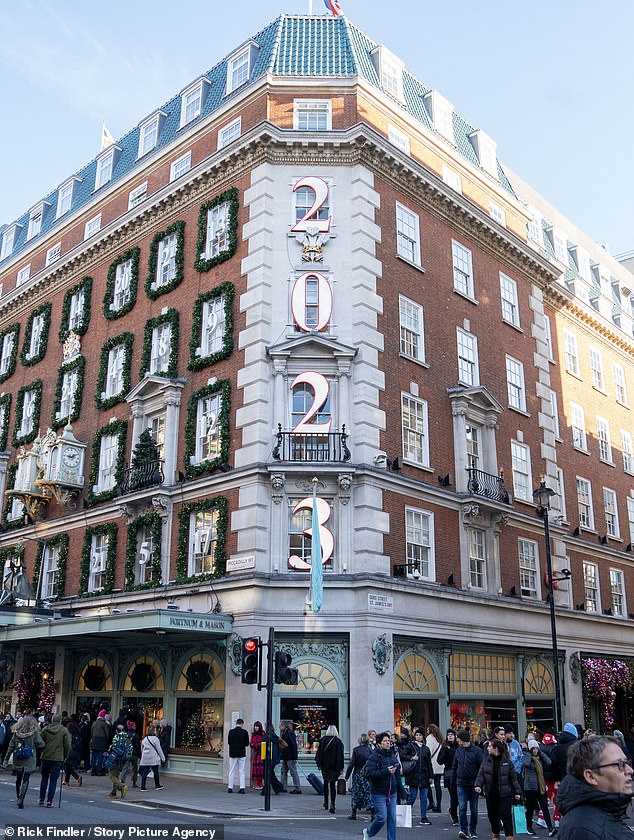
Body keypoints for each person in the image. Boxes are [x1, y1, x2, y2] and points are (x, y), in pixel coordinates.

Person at [557, 735, 633, 839]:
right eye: (619, 764)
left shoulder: (608, 812)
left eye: (627, 763)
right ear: (591, 776)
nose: (629, 770)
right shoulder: (581, 829)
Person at [474, 736, 521, 840]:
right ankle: (496, 833)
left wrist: (517, 791)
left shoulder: (507, 762)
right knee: (492, 815)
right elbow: (480, 774)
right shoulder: (486, 761)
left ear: (496, 748)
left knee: (506, 814)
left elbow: (513, 778)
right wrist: (478, 785)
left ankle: (509, 836)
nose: (487, 748)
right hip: (491, 793)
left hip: (505, 793)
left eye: (489, 746)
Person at [363, 731, 408, 840]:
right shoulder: (374, 756)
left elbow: (397, 774)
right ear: (379, 744)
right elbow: (369, 773)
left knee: (392, 818)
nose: (388, 743)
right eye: (385, 741)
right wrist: (385, 771)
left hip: (392, 792)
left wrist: (401, 790)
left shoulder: (392, 756)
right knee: (382, 817)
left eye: (389, 741)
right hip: (378, 793)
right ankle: (369, 832)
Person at [3, 714, 45, 809]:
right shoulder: (34, 733)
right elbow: (41, 744)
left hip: (18, 758)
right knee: (26, 779)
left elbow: (10, 747)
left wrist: (6, 760)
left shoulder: (16, 733)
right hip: (29, 759)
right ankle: (21, 799)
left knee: (18, 778)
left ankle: (18, 796)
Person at [522, 737, 556, 836]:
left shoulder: (540, 757)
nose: (535, 751)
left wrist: (541, 753)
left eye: (537, 748)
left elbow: (549, 762)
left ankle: (550, 829)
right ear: (530, 749)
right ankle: (529, 826)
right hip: (530, 787)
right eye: (533, 749)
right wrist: (529, 754)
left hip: (540, 786)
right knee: (531, 808)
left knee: (544, 807)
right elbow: (525, 764)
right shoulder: (527, 756)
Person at [401, 726, 433, 825]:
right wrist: (411, 757)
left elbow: (429, 763)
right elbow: (402, 755)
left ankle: (423, 817)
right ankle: (404, 813)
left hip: (424, 775)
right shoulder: (411, 746)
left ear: (423, 737)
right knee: (412, 797)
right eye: (417, 735)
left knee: (424, 799)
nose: (418, 737)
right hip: (413, 775)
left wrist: (431, 776)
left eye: (420, 735)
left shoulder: (426, 749)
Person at [454, 728, 483, 840]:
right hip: (461, 783)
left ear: (463, 739)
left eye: (459, 738)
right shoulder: (458, 751)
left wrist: (480, 784)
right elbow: (455, 766)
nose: (457, 740)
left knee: (474, 809)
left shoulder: (477, 751)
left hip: (474, 784)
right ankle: (464, 830)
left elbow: (481, 768)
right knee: (462, 808)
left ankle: (473, 830)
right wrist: (453, 781)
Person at [39, 713, 71, 807]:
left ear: (52, 720)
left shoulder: (45, 729)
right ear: (60, 721)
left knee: (44, 777)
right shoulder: (64, 730)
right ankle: (49, 801)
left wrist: (42, 750)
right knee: (53, 779)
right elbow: (67, 745)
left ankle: (41, 798)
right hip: (57, 757)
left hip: (46, 756)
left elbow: (40, 742)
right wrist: (65, 756)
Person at [315, 724, 345, 813]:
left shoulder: (323, 740)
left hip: (325, 766)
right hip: (334, 767)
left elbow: (319, 753)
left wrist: (319, 764)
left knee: (325, 783)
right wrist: (341, 768)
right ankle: (332, 803)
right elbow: (340, 756)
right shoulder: (338, 742)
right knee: (332, 785)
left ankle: (325, 802)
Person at [345, 732, 372, 820]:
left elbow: (351, 764)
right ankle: (373, 813)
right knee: (368, 793)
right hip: (367, 775)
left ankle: (354, 813)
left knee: (356, 793)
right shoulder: (370, 750)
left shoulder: (356, 750)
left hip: (357, 774)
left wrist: (347, 776)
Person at [438, 729, 459, 826]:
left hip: (459, 774)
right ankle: (455, 816)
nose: (450, 736)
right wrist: (446, 752)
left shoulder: (459, 746)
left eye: (452, 735)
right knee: (454, 796)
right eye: (448, 735)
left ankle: (452, 810)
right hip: (449, 773)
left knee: (459, 797)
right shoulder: (445, 747)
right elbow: (440, 760)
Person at [540, 732, 561, 828]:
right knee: (556, 798)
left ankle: (542, 817)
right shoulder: (556, 748)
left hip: (545, 777)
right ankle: (557, 818)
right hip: (556, 777)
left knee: (546, 798)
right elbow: (557, 762)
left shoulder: (540, 748)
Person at [106, 724, 132, 799]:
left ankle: (122, 786)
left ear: (117, 731)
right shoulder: (126, 739)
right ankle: (113, 793)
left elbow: (112, 749)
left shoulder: (117, 738)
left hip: (114, 759)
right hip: (121, 760)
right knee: (116, 776)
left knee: (112, 776)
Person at [227, 718, 250, 793]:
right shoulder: (244, 732)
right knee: (242, 771)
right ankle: (242, 788)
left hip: (233, 753)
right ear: (242, 724)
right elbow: (247, 744)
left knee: (231, 770)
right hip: (241, 753)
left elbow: (229, 742)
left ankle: (230, 787)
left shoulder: (231, 732)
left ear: (236, 723)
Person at [139, 724, 165, 791]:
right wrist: (163, 758)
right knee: (155, 772)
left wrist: (143, 755)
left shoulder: (144, 739)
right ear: (154, 731)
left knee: (145, 772)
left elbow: (142, 749)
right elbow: (159, 749)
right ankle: (157, 785)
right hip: (153, 758)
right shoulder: (155, 739)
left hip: (145, 758)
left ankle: (143, 787)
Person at [425, 723, 444, 813]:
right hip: (440, 765)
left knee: (427, 784)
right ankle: (439, 805)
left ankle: (432, 802)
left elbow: (429, 751)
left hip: (432, 764)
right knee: (437, 785)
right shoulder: (441, 739)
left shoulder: (429, 738)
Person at [279, 719, 301, 793]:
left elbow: (294, 745)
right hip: (286, 756)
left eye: (280, 725)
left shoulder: (289, 734)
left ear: (284, 726)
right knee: (283, 771)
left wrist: (295, 757)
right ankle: (283, 787)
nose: (279, 726)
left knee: (293, 772)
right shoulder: (284, 733)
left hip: (290, 756)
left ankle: (297, 788)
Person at [62, 714, 83, 786]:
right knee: (69, 765)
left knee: (66, 765)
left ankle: (76, 777)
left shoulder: (69, 728)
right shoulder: (77, 727)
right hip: (75, 751)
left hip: (70, 750)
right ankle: (67, 780)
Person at [120, 721, 141, 789]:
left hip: (126, 753)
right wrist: (140, 755)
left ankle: (121, 781)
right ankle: (134, 782)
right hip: (134, 754)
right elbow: (138, 746)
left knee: (125, 767)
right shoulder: (135, 735)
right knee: (135, 769)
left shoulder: (125, 735)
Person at [90, 710, 110, 776]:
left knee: (94, 756)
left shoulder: (94, 723)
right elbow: (107, 734)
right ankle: (99, 770)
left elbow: (91, 732)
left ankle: (93, 770)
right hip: (101, 741)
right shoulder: (104, 724)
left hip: (94, 741)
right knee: (100, 757)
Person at [250, 721, 265, 789]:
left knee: (260, 769)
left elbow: (262, 744)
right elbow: (251, 744)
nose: (256, 728)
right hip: (256, 754)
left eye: (257, 726)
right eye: (255, 726)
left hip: (261, 754)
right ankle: (256, 784)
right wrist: (256, 745)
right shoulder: (254, 734)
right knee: (256, 769)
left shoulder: (262, 734)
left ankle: (260, 784)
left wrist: (256, 745)